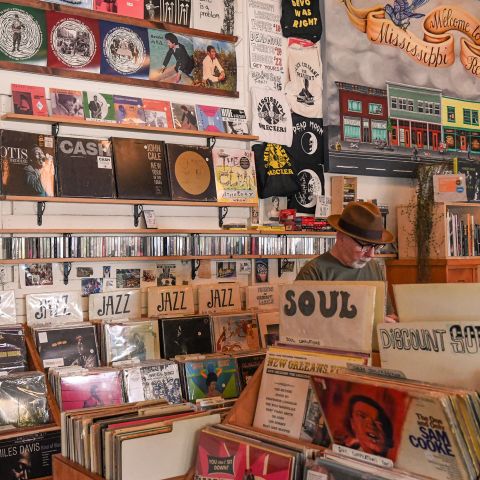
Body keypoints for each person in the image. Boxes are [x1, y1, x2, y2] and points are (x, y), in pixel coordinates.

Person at [295, 201, 398, 322]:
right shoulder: (313, 273)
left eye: (376, 246)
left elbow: (389, 315)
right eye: (364, 246)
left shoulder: (374, 268)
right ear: (341, 237)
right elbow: (300, 329)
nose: (371, 254)